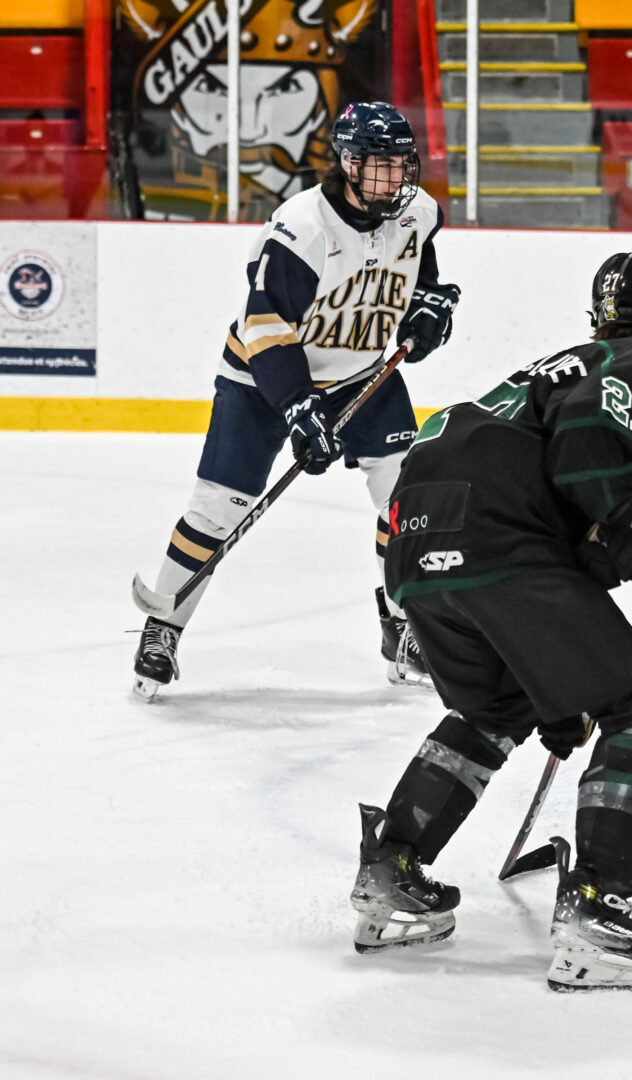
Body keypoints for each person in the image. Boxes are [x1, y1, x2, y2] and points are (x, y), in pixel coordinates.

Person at [348, 249, 632, 992]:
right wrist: (615, 522)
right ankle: (599, 912)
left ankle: (393, 866)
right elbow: (583, 457)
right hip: (498, 542)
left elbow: (460, 445)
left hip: (418, 548)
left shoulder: (552, 365)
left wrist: (554, 670)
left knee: (495, 706)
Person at [131, 101, 461, 699]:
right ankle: (163, 625)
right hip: (263, 381)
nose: (399, 179)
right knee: (218, 506)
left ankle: (403, 623)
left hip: (364, 375)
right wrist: (297, 406)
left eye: (402, 165)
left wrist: (430, 308)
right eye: (383, 167)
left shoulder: (416, 213)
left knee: (407, 496)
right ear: (350, 164)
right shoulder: (303, 228)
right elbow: (264, 326)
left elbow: (423, 276)